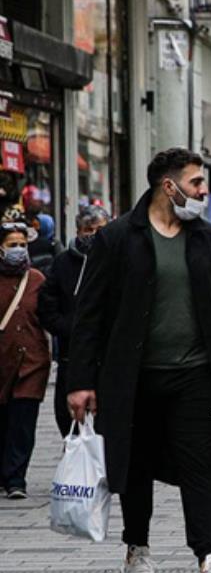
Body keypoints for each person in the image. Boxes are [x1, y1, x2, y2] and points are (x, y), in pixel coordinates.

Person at [66, 147, 211, 573]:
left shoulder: (207, 240)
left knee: (199, 466)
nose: (203, 192)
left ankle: (209, 561)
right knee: (136, 468)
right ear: (167, 186)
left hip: (194, 375)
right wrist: (79, 380)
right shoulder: (117, 239)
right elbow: (89, 315)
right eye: (196, 184)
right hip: (132, 378)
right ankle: (137, 551)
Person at [37, 205, 110, 437]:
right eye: (89, 229)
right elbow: (47, 308)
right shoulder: (62, 263)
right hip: (72, 356)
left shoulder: (118, 260)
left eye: (101, 229)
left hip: (109, 358)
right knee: (70, 422)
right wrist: (72, 329)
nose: (95, 234)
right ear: (78, 231)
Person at [0, 220, 50, 499]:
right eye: (12, 245)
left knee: (23, 423)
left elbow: (50, 315)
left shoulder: (37, 280)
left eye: (22, 245)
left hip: (31, 363)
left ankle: (16, 478)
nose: (18, 250)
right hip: (2, 362)